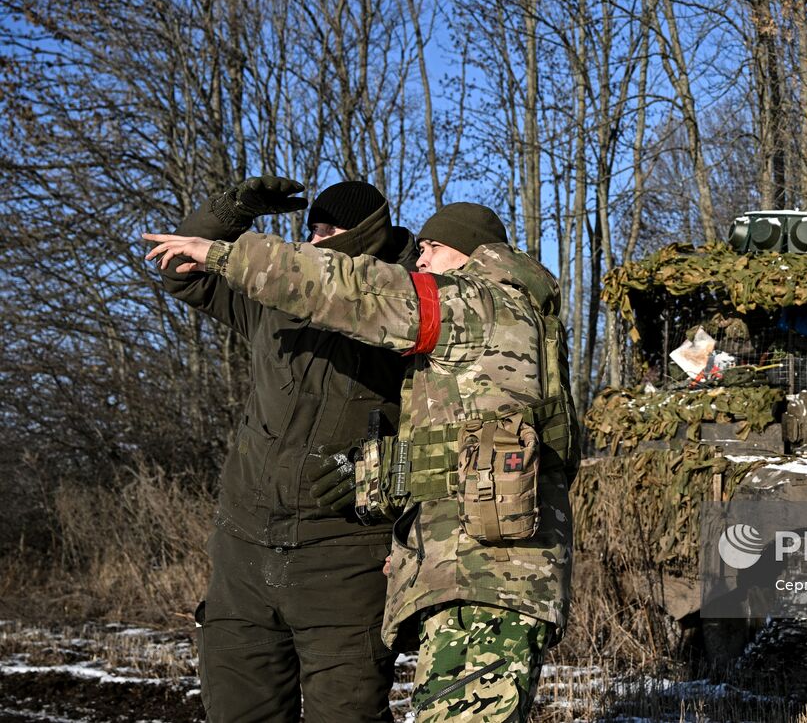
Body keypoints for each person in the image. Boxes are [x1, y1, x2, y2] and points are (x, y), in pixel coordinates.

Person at [146, 202, 576, 723]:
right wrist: (379, 478)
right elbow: (460, 451)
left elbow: (357, 292)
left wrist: (226, 254)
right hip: (480, 575)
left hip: (487, 581)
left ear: (467, 254)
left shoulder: (475, 304)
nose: (420, 262)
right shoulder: (515, 318)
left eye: (431, 250)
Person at [156, 176, 417, 723]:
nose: (315, 240)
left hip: (344, 563)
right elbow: (181, 272)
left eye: (331, 231)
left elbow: (446, 430)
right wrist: (229, 212)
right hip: (243, 555)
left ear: (366, 235)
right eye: (312, 229)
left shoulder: (408, 307)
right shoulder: (273, 299)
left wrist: (389, 473)